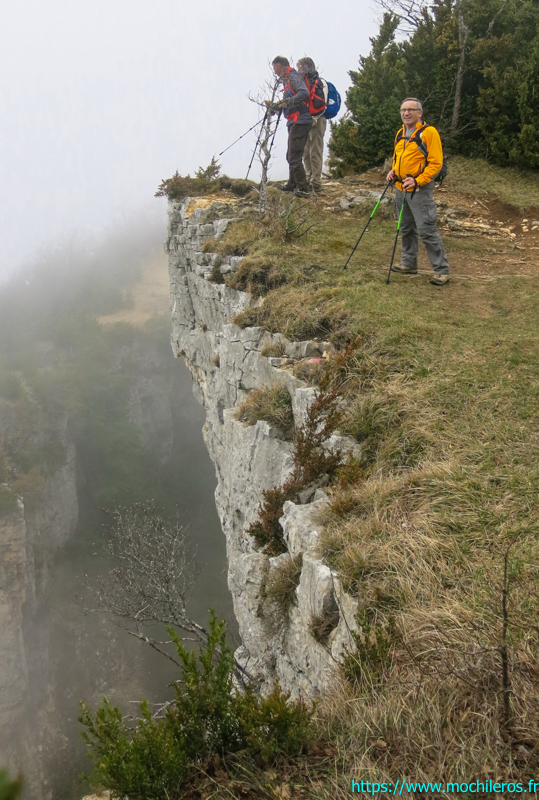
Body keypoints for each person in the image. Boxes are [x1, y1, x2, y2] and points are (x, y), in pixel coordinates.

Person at [386, 98, 450, 286]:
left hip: (420, 189)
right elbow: (398, 157)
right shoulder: (400, 133)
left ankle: (442, 270)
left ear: (420, 113)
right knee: (406, 227)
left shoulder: (429, 132)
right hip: (401, 187)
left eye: (410, 110)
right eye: (403, 110)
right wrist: (393, 171)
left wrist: (418, 180)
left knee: (426, 229)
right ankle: (408, 263)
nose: (406, 113)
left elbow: (436, 163)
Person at [266, 56, 312, 198]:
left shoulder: (293, 77)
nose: (274, 71)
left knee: (294, 156)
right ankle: (292, 184)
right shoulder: (288, 80)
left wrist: (287, 102)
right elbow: (289, 101)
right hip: (295, 121)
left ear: (280, 65)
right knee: (291, 155)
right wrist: (275, 106)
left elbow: (304, 92)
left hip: (300, 120)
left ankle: (302, 189)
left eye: (275, 67)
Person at [297, 57, 327, 194]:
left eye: (300, 67)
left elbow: (321, 105)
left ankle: (315, 182)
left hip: (317, 119)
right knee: (307, 150)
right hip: (311, 119)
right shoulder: (309, 83)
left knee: (314, 150)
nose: (298, 71)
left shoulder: (318, 83)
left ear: (306, 67)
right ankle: (310, 178)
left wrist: (313, 118)